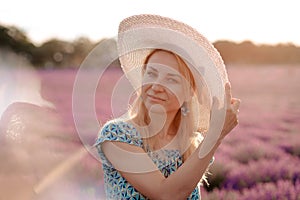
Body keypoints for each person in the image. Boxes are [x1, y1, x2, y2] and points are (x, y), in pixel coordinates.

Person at [95, 14, 240, 199]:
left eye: (171, 79)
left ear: (189, 92)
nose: (156, 86)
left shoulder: (190, 146)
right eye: (152, 73)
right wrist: (216, 134)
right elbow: (167, 195)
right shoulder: (117, 135)